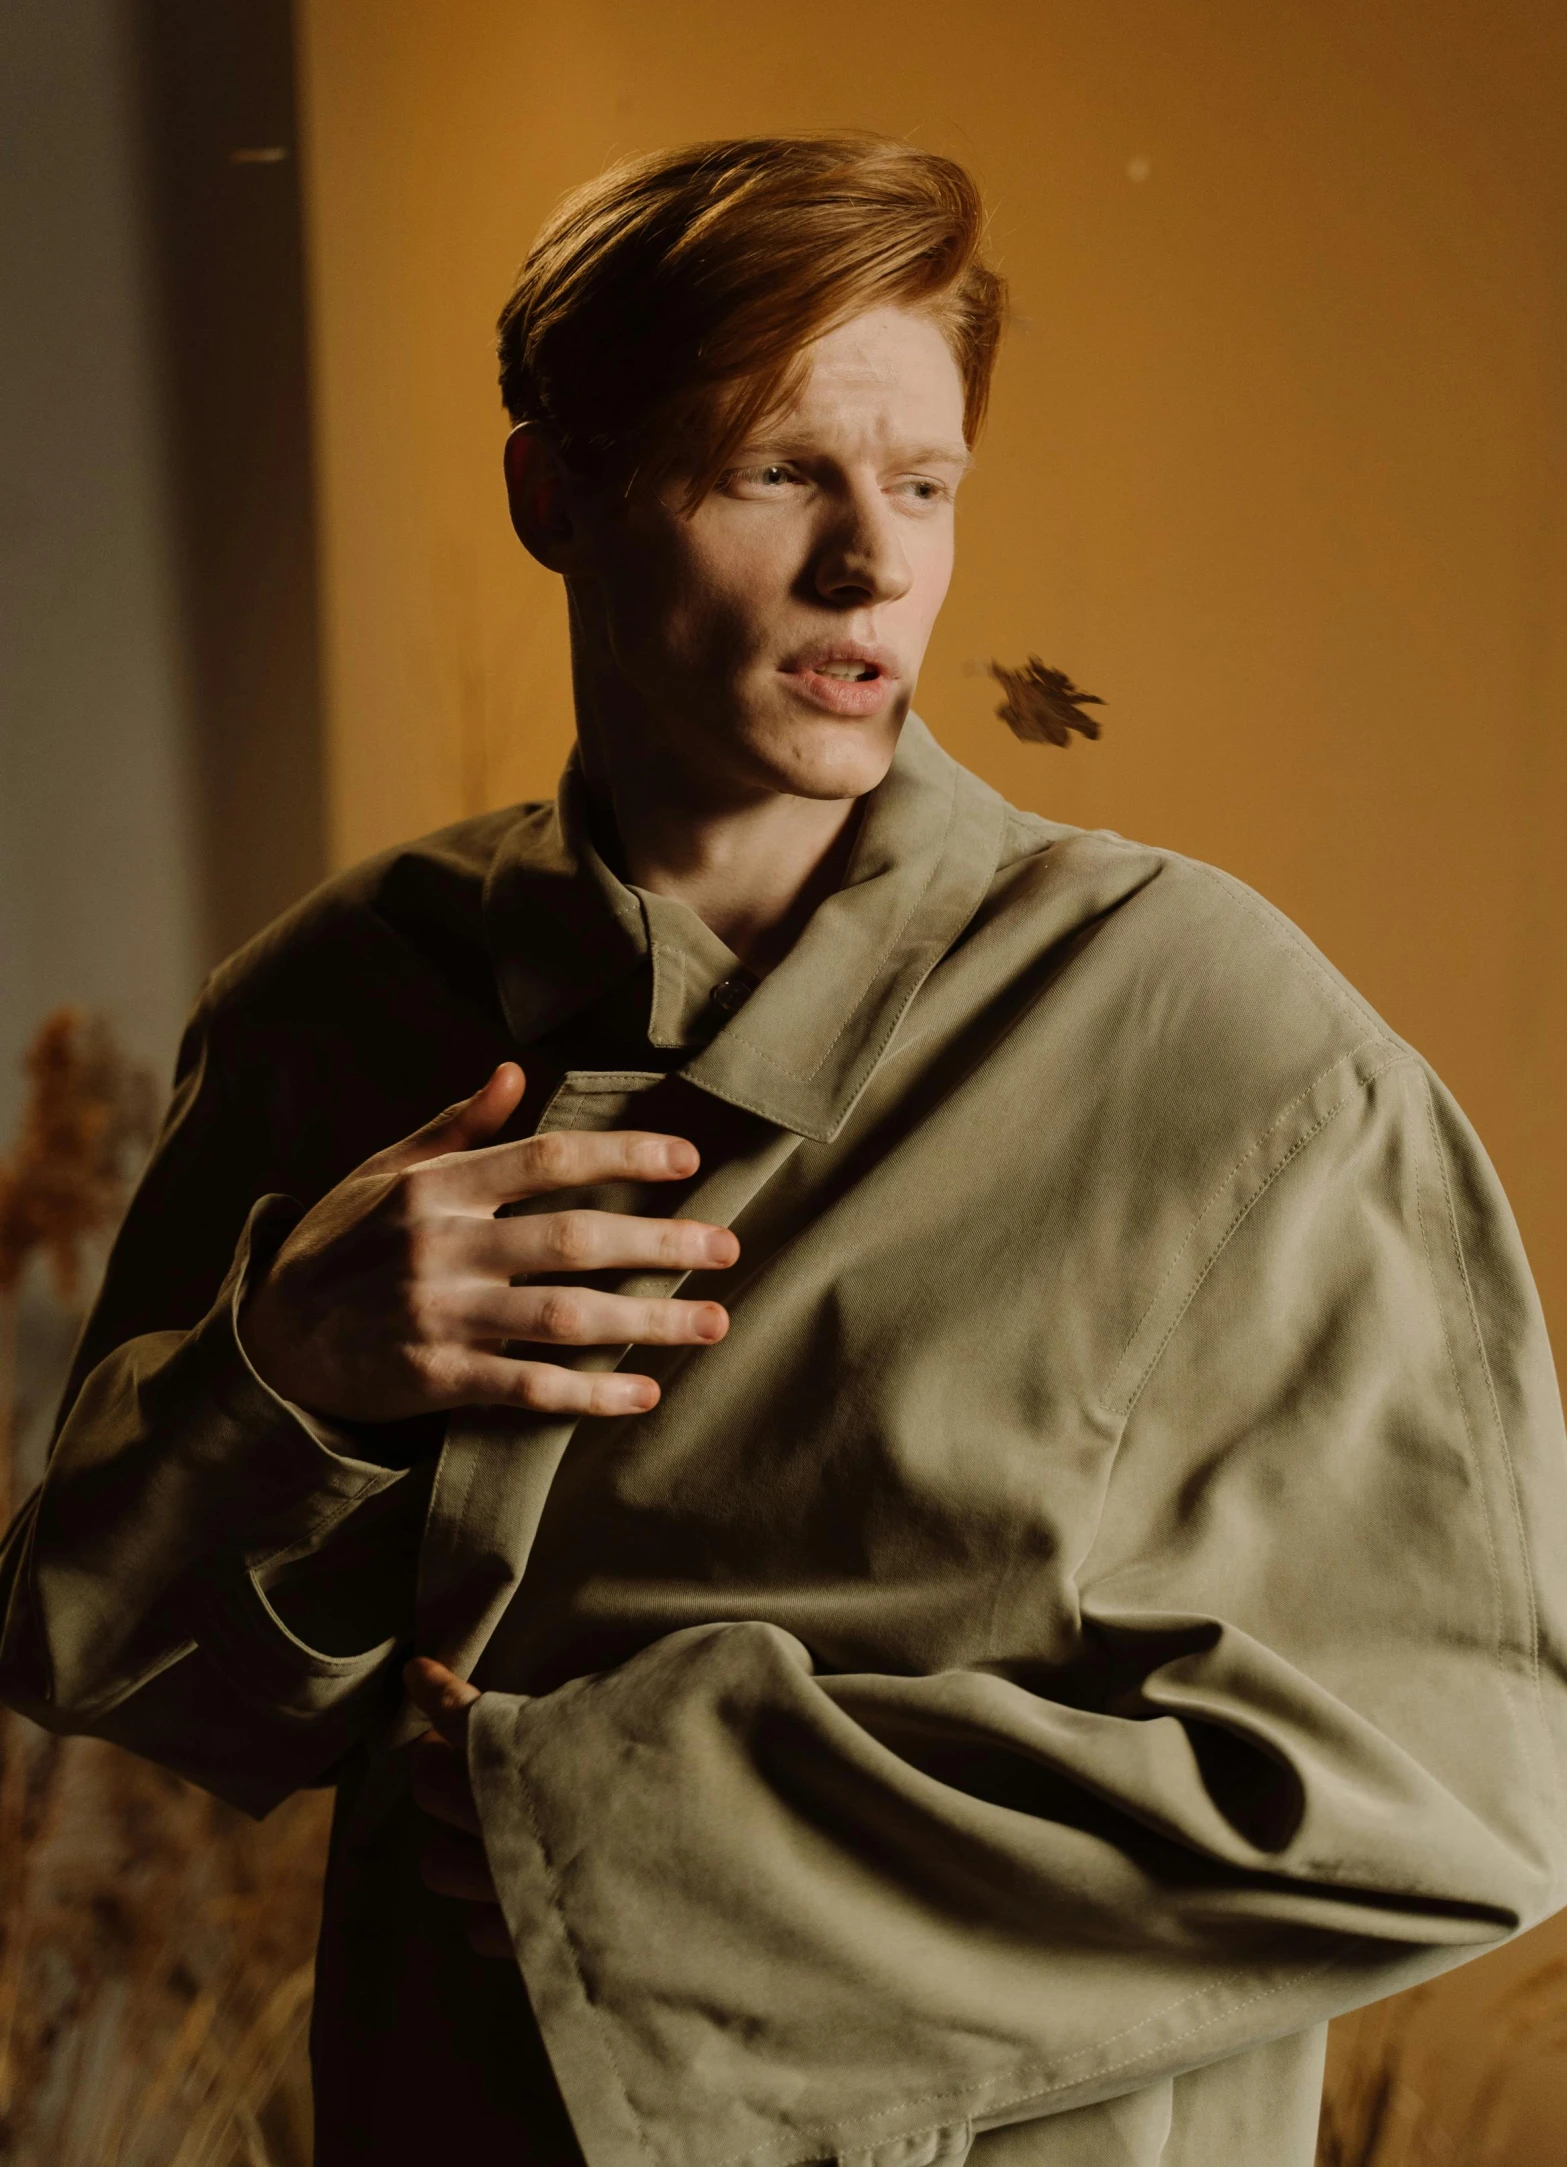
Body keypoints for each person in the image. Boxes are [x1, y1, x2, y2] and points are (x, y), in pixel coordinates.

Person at [3, 134, 1565, 2167]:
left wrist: (628, 1833)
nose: (872, 566)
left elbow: (1464, 1778)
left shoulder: (1211, 1037)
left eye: (921, 486)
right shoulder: (343, 998)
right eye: (776, 472)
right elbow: (119, 1659)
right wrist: (295, 1374)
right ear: (551, 491)